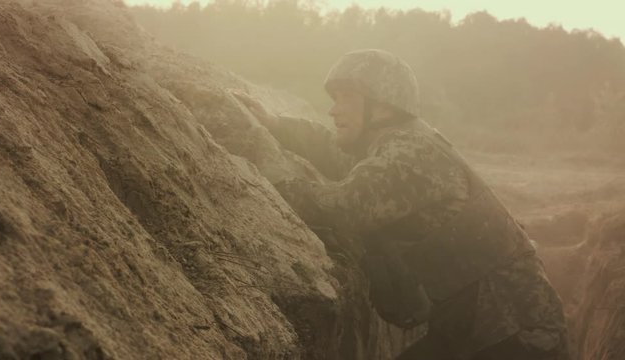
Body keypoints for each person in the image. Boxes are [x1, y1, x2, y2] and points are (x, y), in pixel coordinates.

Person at [235, 49, 569, 360]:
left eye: (346, 98)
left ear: (382, 105)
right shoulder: (396, 143)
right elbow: (338, 154)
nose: (334, 109)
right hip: (479, 326)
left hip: (517, 338)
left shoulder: (412, 153)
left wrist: (266, 181)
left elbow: (345, 206)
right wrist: (277, 125)